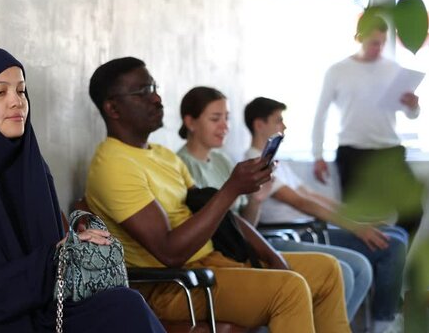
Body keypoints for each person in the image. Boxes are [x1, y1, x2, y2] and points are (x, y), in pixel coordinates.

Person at [0, 48, 165, 333]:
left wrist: (72, 249)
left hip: (41, 313)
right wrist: (51, 260)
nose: (17, 102)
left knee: (126, 306)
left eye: (21, 91)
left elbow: (52, 263)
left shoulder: (32, 169)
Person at [84, 57, 351, 332]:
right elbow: (170, 252)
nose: (157, 98)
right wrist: (232, 188)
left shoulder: (161, 155)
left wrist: (272, 256)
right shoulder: (113, 166)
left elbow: (218, 214)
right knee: (288, 289)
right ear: (112, 108)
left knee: (327, 270)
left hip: (214, 263)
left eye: (154, 87)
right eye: (143, 92)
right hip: (174, 285)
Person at [176, 87, 372, 321]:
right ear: (190, 122)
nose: (225, 126)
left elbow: (244, 223)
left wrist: (256, 200)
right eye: (215, 119)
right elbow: (216, 231)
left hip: (247, 243)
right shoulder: (181, 166)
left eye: (227, 118)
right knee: (344, 271)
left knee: (346, 268)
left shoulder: (221, 159)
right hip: (224, 255)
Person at [246, 96, 409, 333]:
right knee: (391, 244)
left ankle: (355, 324)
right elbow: (302, 203)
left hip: (310, 229)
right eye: (278, 120)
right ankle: (383, 323)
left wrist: (357, 218)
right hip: (294, 234)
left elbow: (311, 194)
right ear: (259, 124)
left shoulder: (277, 161)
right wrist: (355, 227)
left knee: (396, 233)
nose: (283, 126)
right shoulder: (254, 163)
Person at [311, 12, 423, 237]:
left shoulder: (393, 69)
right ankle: (368, 268)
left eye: (382, 42)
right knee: (357, 220)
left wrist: (413, 105)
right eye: (374, 43)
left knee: (413, 211)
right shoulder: (337, 71)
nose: (378, 48)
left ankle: (394, 254)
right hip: (352, 152)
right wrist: (318, 155)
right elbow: (320, 114)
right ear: (359, 38)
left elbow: (411, 115)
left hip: (389, 151)